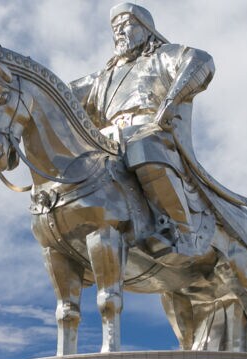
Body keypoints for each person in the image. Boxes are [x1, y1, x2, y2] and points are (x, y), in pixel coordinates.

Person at [70, 2, 220, 257]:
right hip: (107, 139)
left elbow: (201, 61)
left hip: (150, 131)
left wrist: (171, 102)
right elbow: (65, 94)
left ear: (145, 29)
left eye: (126, 24)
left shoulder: (162, 56)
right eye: (115, 28)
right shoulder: (104, 77)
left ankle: (182, 229)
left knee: (141, 149)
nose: (119, 31)